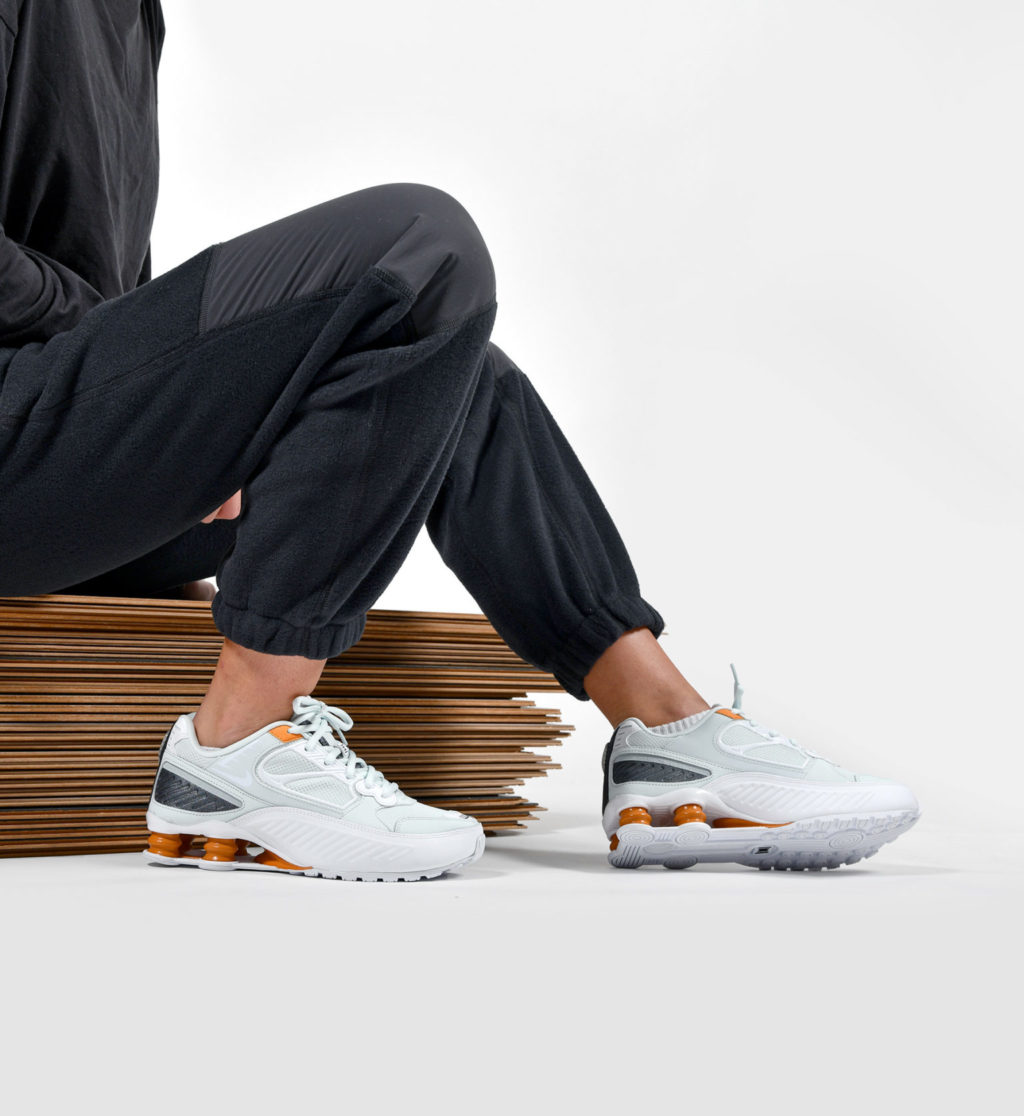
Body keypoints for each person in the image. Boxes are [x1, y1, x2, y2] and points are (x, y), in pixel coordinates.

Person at [0, 1, 919, 881]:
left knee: (435, 357)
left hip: (62, 463)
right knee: (419, 246)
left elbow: (105, 278)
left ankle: (666, 733)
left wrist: (171, 402)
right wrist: (157, 382)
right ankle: (238, 742)